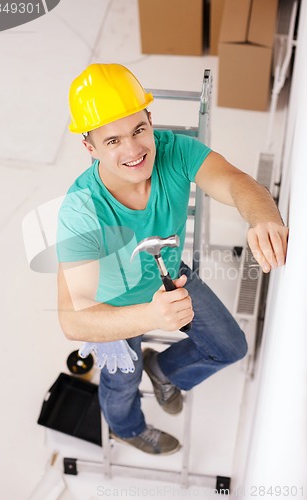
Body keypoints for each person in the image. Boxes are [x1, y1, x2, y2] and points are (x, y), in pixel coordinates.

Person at [56, 63, 288, 455]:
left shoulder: (177, 152)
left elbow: (236, 182)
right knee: (121, 383)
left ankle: (163, 370)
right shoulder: (80, 211)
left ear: (151, 120)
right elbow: (72, 318)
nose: (133, 151)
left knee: (230, 347)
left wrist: (263, 215)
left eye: (138, 130)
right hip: (111, 311)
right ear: (90, 147)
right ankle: (127, 428)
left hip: (169, 279)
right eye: (112, 141)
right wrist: (150, 317)